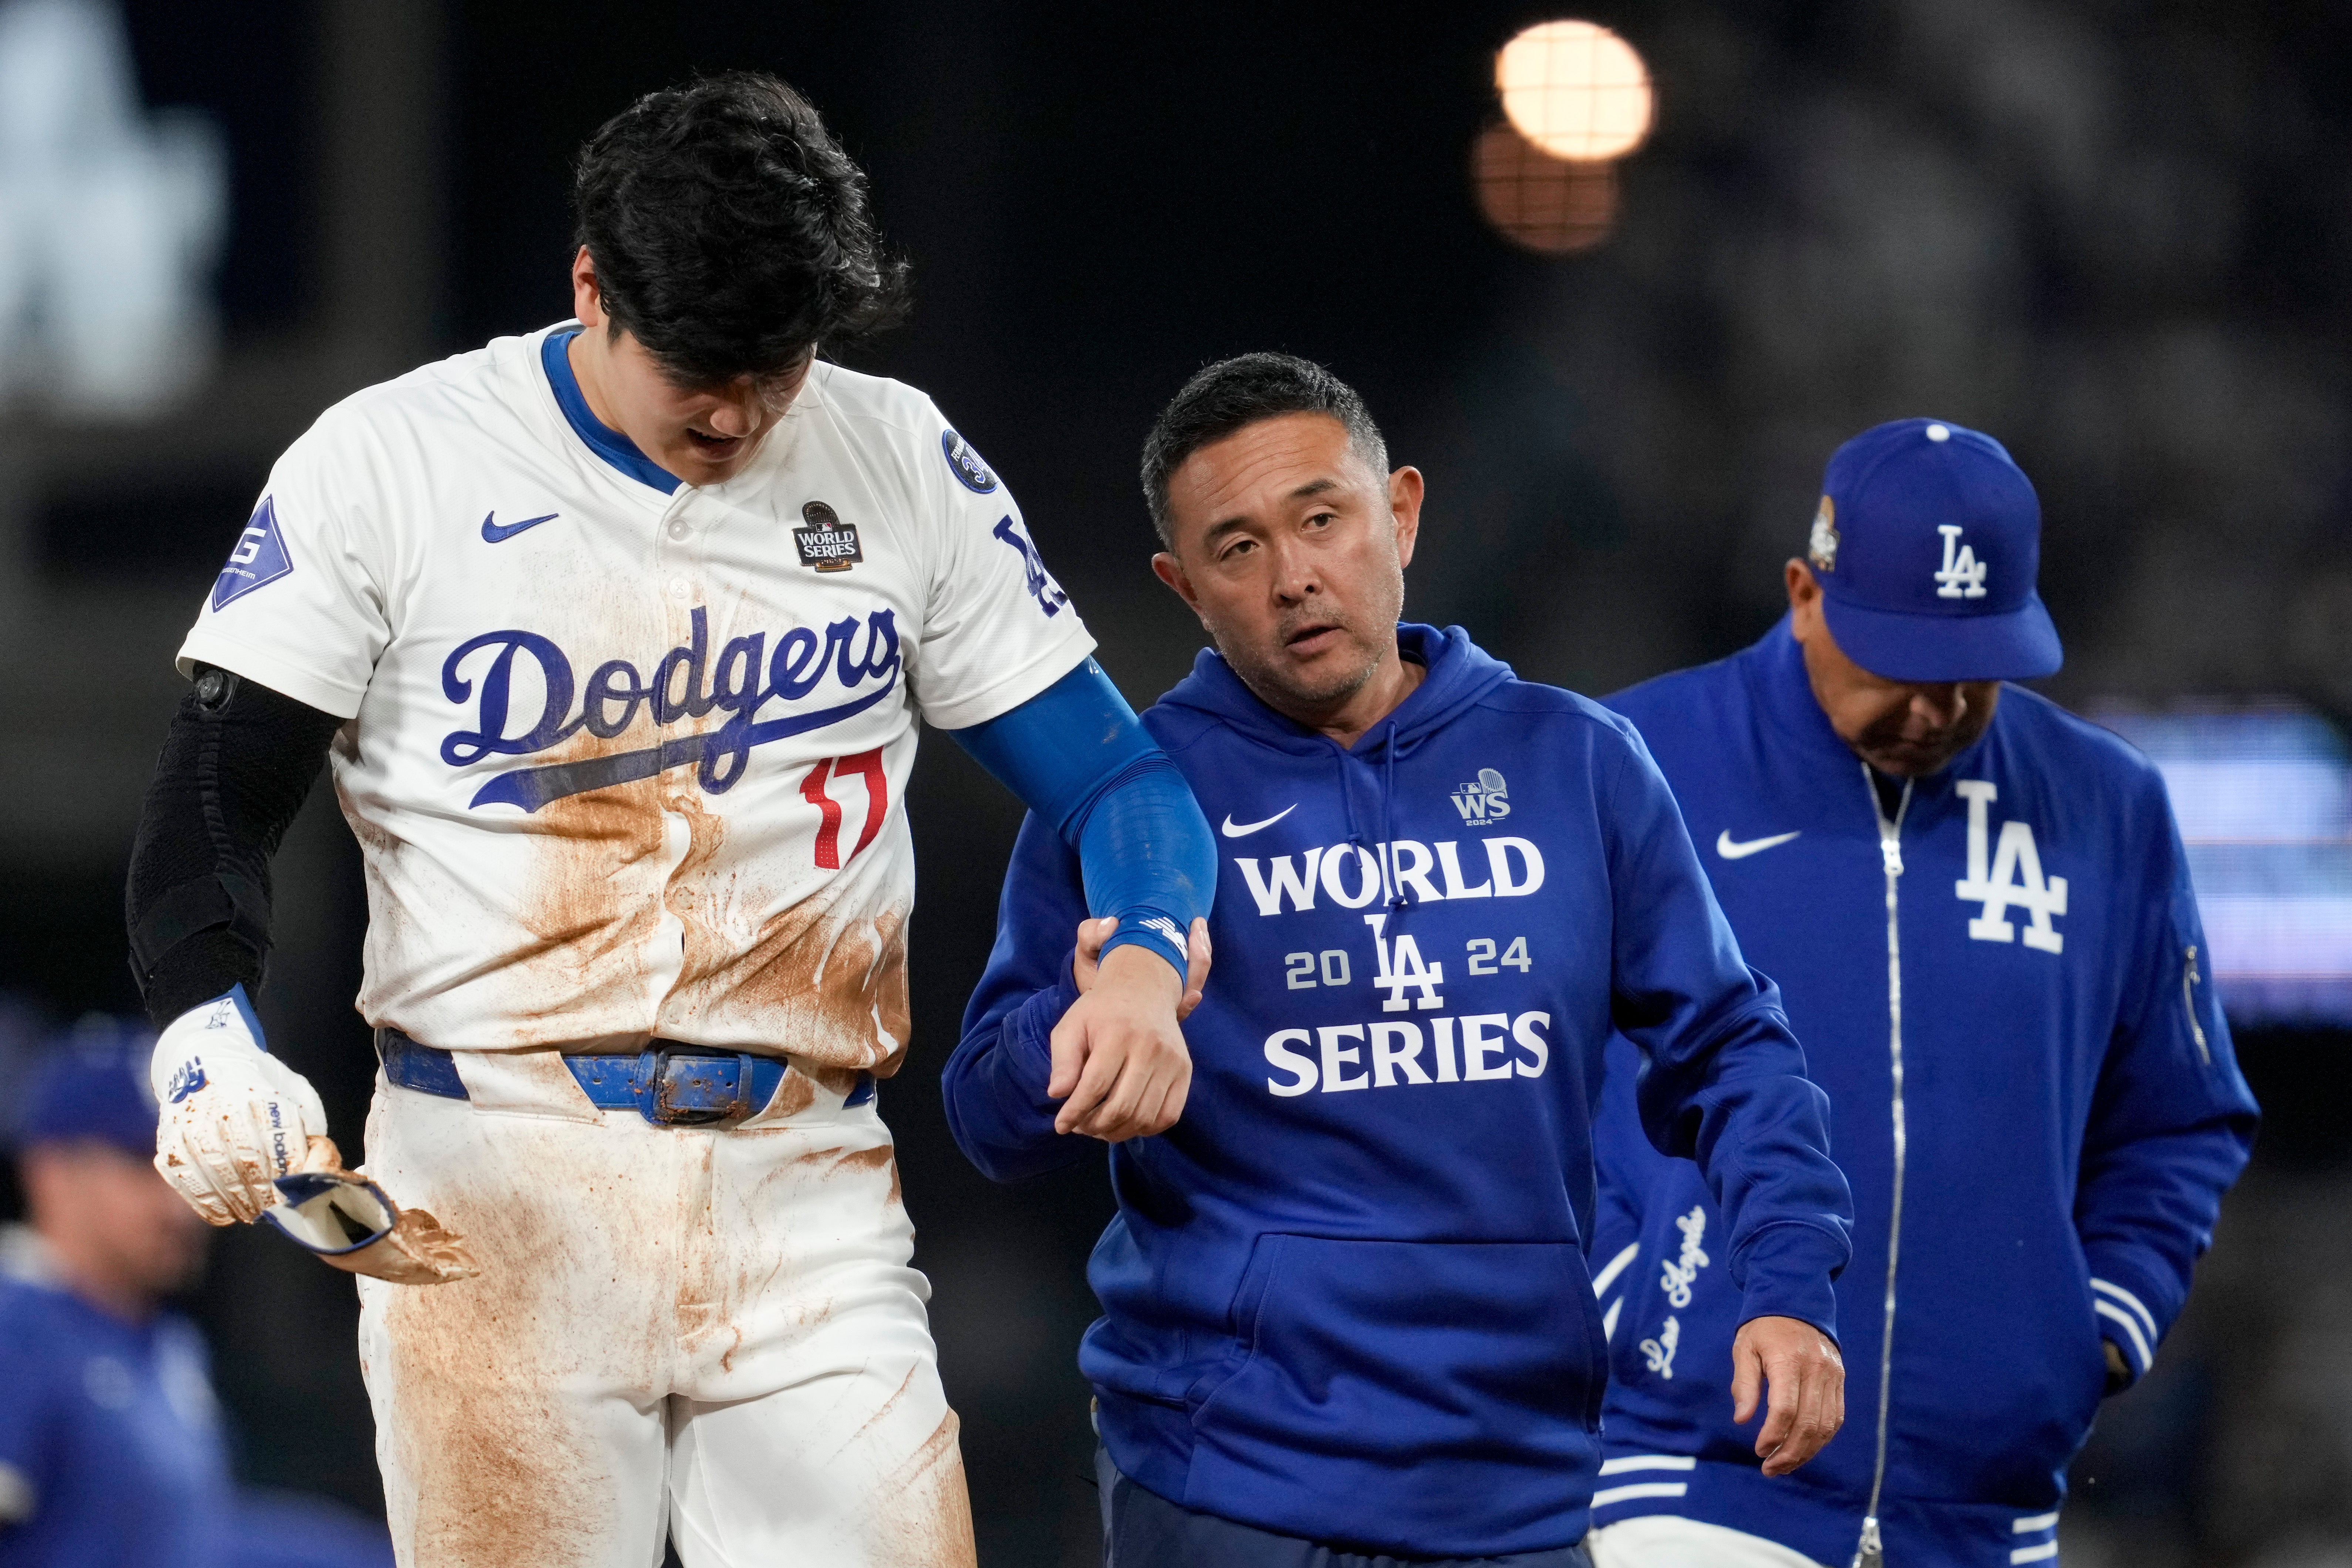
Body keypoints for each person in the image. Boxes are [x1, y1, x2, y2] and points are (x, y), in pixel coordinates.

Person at [121, 74, 1215, 1567]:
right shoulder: (394, 459)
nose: (736, 407)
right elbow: (209, 793)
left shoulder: (893, 454)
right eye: (700, 362)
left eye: (775, 364)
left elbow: (1121, 781)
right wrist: (204, 1037)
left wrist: (1149, 950)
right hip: (495, 1182)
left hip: (807, 1192)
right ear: (592, 287)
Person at [945, 353, 1857, 1567]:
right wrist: (1079, 1014)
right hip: (1226, 1489)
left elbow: (1736, 1053)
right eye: (1237, 550)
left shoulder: (1579, 763)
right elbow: (984, 1117)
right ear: (1184, 588)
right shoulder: (1128, 796)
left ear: (1405, 513)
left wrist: (1788, 1283)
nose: (1295, 578)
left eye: (1322, 520)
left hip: (1519, 1489)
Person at [1584, 419, 2260, 1568]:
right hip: (1695, 1472)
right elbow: (1510, 1066)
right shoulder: (1636, 758)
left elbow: (2183, 1115)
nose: (1937, 711)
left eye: (1973, 673)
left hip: (1988, 1512)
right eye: (1901, 667)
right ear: (1806, 591)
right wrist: (1629, 1291)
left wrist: (2086, 1323)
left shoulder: (2107, 807)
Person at [0, 1016, 393, 1568]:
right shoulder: (16, 1326)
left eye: (188, 1167)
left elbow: (191, 1540)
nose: (178, 1202)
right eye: (144, 1164)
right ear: (52, 1172)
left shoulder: (163, 1341)